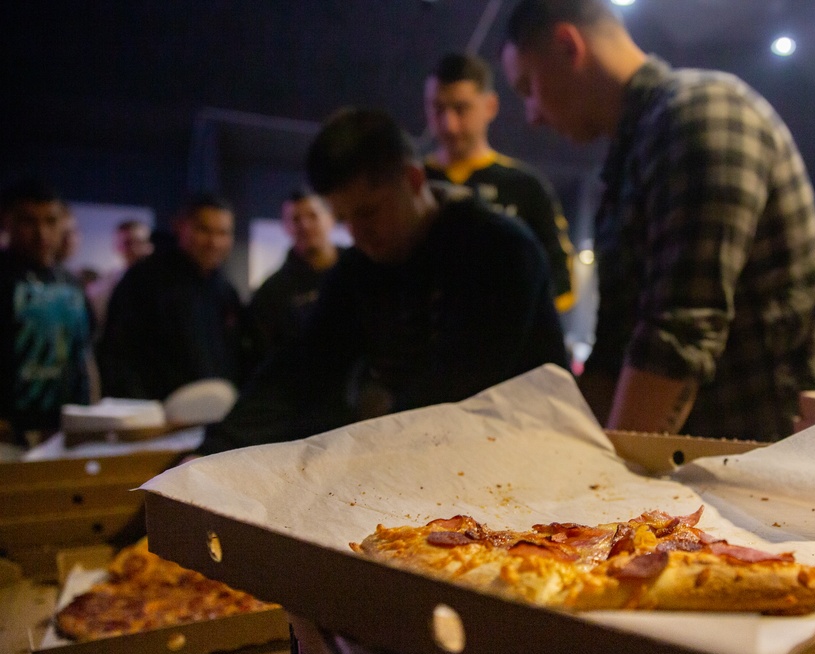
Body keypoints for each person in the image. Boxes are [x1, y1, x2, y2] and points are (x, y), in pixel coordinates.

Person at [500, 0, 815, 441]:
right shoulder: (633, 152)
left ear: (567, 45)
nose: (531, 115)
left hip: (786, 462)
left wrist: (602, 483)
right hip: (724, 467)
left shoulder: (699, 110)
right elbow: (614, 349)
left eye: (527, 86)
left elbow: (678, 337)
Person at [197, 108, 567, 455]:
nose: (359, 235)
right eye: (344, 220)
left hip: (526, 457)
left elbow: (460, 383)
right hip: (420, 457)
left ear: (413, 179)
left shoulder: (498, 249)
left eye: (369, 212)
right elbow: (301, 367)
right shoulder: (359, 269)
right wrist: (211, 454)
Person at [424, 52, 576, 313]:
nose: (448, 125)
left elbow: (560, 279)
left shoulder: (525, 187)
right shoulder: (412, 182)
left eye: (461, 109)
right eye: (438, 109)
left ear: (490, 107)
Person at [98, 194, 247, 400]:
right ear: (180, 227)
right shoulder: (143, 281)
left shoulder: (225, 291)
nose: (214, 242)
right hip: (157, 418)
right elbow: (117, 355)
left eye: (223, 233)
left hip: (216, 416)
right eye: (204, 230)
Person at [0, 179, 92, 446]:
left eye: (51, 221)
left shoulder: (71, 284)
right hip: (9, 433)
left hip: (64, 431)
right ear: (7, 221)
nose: (42, 233)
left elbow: (82, 355)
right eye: (29, 221)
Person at [247, 188, 338, 364]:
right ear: (286, 226)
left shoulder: (359, 271)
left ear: (331, 218)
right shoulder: (271, 293)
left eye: (313, 216)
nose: (305, 225)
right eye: (296, 219)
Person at [85, 219, 153, 339]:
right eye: (128, 243)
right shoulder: (104, 287)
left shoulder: (166, 284)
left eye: (140, 242)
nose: (135, 249)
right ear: (117, 246)